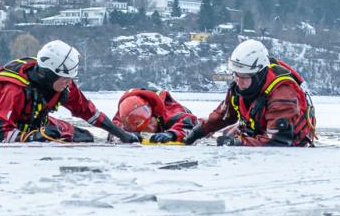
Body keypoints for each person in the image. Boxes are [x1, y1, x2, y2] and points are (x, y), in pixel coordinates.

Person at [0, 40, 139, 143]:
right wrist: (34, 137)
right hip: (9, 131)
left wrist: (121, 134)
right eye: (65, 79)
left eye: (70, 78)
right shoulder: (14, 90)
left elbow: (89, 111)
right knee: (53, 138)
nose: (69, 83)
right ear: (48, 74)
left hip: (38, 125)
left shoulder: (63, 83)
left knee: (84, 137)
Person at [182, 39, 316, 147]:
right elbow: (224, 115)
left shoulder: (282, 95)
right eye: (236, 74)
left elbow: (278, 142)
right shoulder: (239, 88)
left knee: (229, 138)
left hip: (290, 146)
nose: (239, 81)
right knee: (227, 134)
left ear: (259, 74)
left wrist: (237, 143)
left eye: (245, 76)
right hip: (257, 135)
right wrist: (199, 131)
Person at [114, 86, 201, 144]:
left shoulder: (170, 111)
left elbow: (190, 121)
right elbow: (113, 131)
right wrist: (126, 136)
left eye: (149, 122)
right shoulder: (124, 114)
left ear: (154, 115)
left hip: (176, 118)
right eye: (143, 129)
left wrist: (172, 134)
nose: (149, 130)